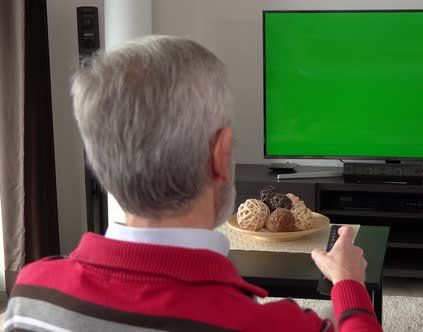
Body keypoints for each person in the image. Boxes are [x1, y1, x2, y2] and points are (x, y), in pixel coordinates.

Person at [3, 36, 382, 332]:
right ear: (220, 155)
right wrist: (349, 284)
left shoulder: (31, 293)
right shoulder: (272, 326)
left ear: (98, 161)